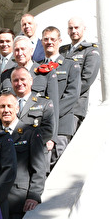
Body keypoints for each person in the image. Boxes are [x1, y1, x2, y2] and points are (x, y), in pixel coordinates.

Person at [0, 92, 48, 219]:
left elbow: (39, 167)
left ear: (17, 108)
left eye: (9, 106)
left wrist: (34, 195)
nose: (6, 110)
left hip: (19, 201)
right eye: (2, 106)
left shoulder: (30, 133)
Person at [40, 25, 81, 164]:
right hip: (40, 124)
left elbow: (72, 95)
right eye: (46, 39)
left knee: (56, 164)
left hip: (62, 123)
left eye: (53, 39)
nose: (49, 42)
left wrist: (51, 113)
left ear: (60, 41)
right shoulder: (36, 67)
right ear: (42, 42)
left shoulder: (70, 65)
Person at [59, 16, 100, 128]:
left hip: (75, 107)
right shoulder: (62, 51)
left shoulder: (91, 51)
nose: (73, 31)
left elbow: (86, 80)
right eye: (70, 28)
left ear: (84, 28)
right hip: (58, 105)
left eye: (76, 27)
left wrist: (67, 95)